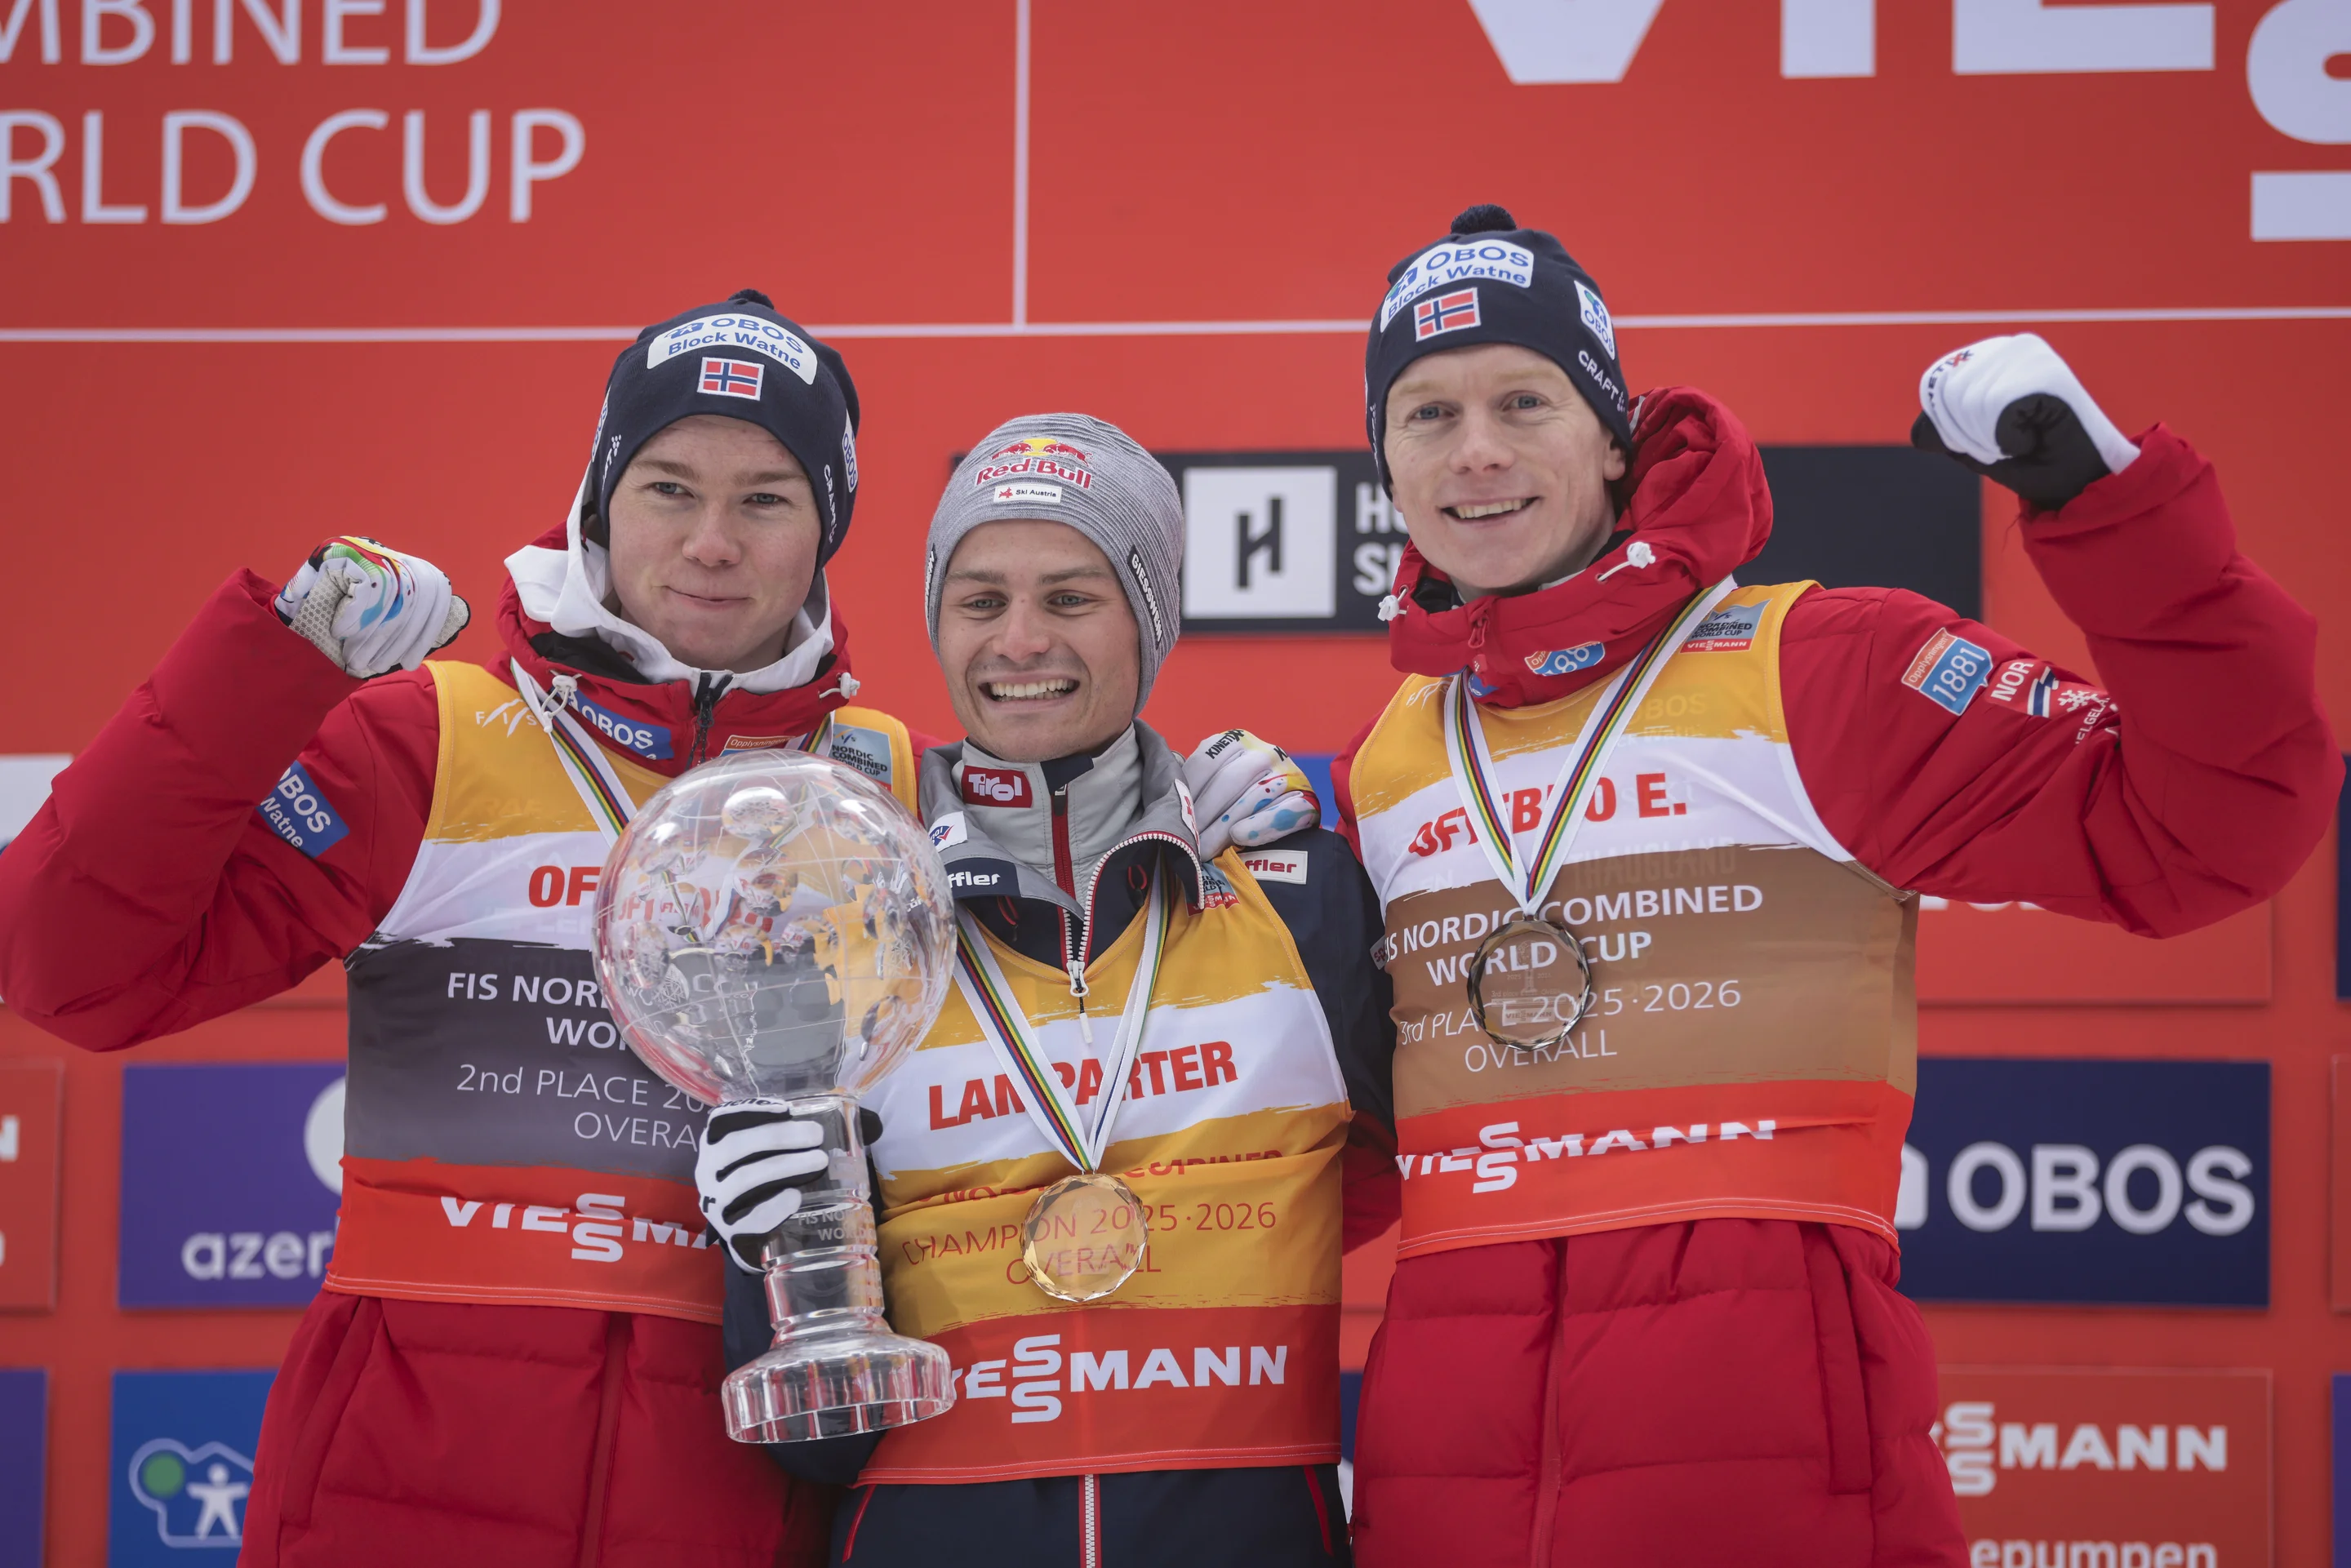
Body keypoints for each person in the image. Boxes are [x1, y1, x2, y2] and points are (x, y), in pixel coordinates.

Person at [0, 294, 1304, 1567]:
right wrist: (271, 666)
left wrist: (1192, 812)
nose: (711, 543)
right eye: (670, 488)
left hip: (732, 1484)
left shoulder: (889, 789)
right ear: (600, 500)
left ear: (827, 533)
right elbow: (72, 974)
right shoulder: (432, 738)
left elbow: (1092, 986)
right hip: (402, 1478)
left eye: (767, 500)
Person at [1330, 207, 2339, 1567]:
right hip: (1444, 1499)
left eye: (1525, 400)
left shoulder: (1820, 669)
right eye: (1428, 415)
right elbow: (1323, 1163)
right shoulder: (1388, 766)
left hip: (1779, 1496)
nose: (1478, 451)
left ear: (1613, 434)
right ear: (1386, 461)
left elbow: (2214, 823)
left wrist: (2109, 506)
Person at [696, 413, 1398, 1567]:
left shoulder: (1303, 895)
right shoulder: (837, 927)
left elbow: (1388, 1195)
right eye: (980, 601)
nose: (1020, 641)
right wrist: (760, 1255)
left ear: (1150, 619)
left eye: (1071, 598)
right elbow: (817, 1444)